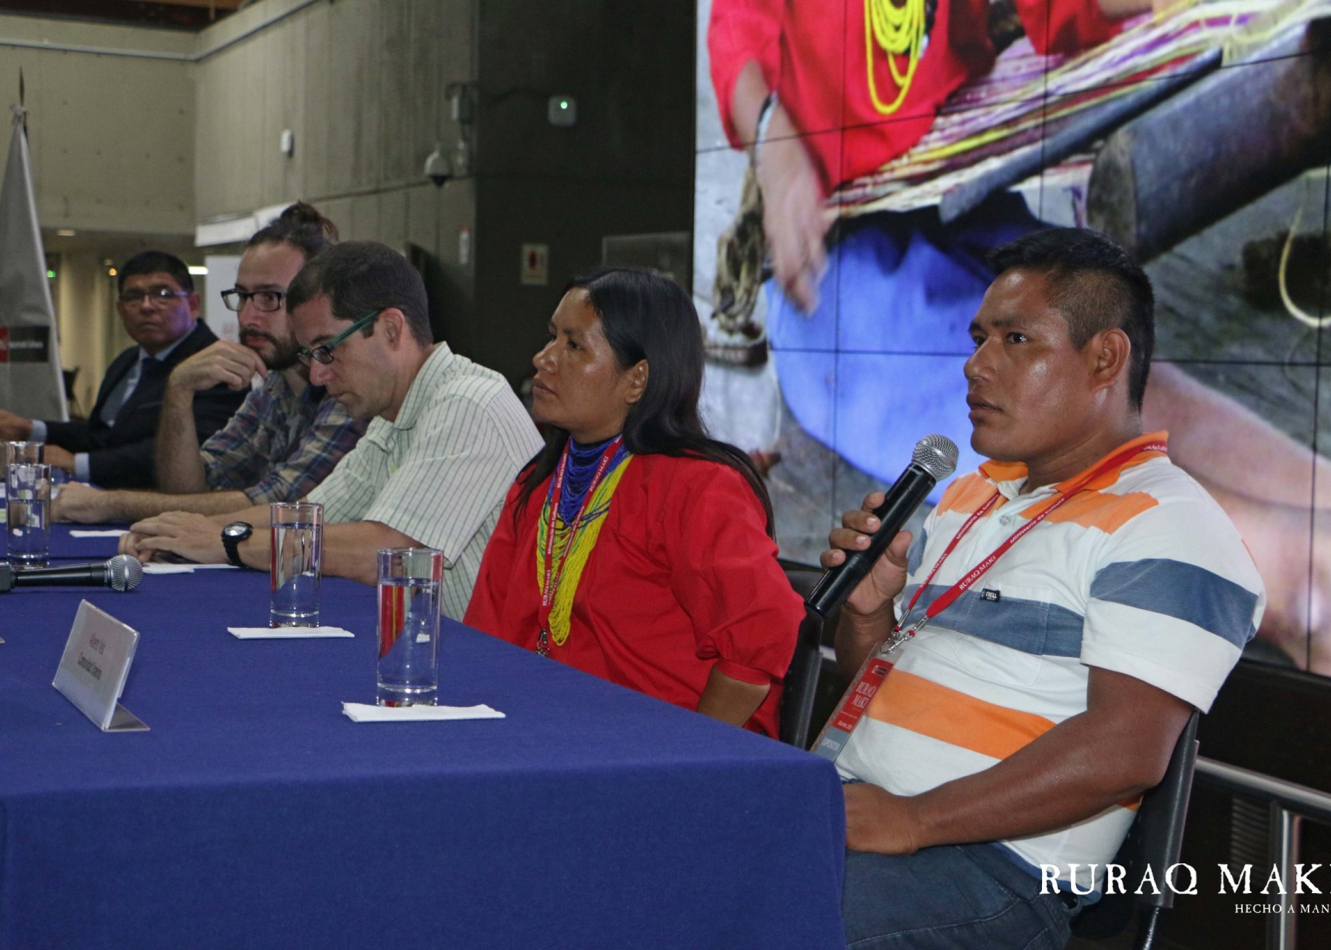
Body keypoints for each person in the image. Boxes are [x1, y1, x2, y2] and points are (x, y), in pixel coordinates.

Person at [706, 0, 1329, 668]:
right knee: (1057, 431)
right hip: (833, 269)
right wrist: (775, 141)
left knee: (1110, 386)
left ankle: (1309, 551)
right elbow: (739, 33)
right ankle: (1297, 583)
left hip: (959, 211)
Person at [821, 229, 1264, 948]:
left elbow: (1123, 751)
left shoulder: (1170, 525)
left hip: (991, 869)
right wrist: (867, 613)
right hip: (858, 813)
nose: (975, 365)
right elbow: (875, 676)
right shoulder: (966, 496)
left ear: (1103, 358)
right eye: (977, 338)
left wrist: (911, 820)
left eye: (1015, 340)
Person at [120, 241, 543, 619]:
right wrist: (187, 528)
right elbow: (305, 517)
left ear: (392, 329)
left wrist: (230, 542)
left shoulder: (468, 402)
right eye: (309, 354)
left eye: (327, 349)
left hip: (485, 667)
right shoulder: (392, 416)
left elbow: (389, 551)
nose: (318, 375)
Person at [464, 268, 803, 736]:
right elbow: (487, 637)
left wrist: (685, 760)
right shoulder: (537, 483)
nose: (543, 358)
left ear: (637, 379)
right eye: (551, 338)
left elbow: (759, 638)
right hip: (542, 738)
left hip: (653, 757)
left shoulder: (697, 487)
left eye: (574, 345)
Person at [53, 203, 366, 524]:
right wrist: (178, 391)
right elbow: (190, 487)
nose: (247, 316)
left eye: (269, 297)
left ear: (321, 300)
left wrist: (109, 503)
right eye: (242, 296)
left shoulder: (348, 391)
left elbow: (280, 506)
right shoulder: (274, 386)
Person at [0, 251, 245, 488]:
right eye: (134, 296)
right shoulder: (127, 361)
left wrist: (77, 463)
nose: (147, 306)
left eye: (162, 294)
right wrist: (31, 429)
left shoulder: (214, 364)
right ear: (120, 309)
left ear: (193, 304)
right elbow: (104, 437)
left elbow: (191, 452)